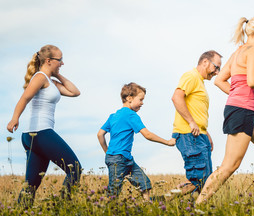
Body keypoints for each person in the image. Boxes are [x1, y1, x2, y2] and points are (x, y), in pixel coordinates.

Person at [195, 16, 254, 204]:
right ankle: (199, 205)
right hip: (241, 110)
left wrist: (237, 94)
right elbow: (252, 81)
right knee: (230, 165)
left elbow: (219, 80)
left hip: (245, 109)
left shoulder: (238, 52)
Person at [6, 45, 82, 205]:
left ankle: (21, 210)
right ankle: (62, 208)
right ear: (48, 60)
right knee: (74, 168)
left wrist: (58, 75)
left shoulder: (51, 81)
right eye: (59, 60)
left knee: (32, 184)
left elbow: (75, 92)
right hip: (40, 132)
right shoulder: (39, 77)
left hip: (33, 136)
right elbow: (24, 98)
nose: (62, 63)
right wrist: (15, 118)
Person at [97, 82, 175, 200]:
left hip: (125, 159)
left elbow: (100, 134)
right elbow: (147, 135)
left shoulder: (113, 116)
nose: (142, 103)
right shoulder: (131, 115)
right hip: (119, 159)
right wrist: (167, 142)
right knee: (113, 193)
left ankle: (147, 207)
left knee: (144, 184)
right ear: (129, 98)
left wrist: (107, 152)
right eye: (140, 99)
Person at [171, 50, 222, 195]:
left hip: (199, 135)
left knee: (205, 181)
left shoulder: (200, 82)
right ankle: (159, 202)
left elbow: (196, 112)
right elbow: (176, 97)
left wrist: (206, 134)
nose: (217, 72)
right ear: (205, 62)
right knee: (198, 179)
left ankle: (195, 207)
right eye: (216, 67)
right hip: (189, 135)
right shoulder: (191, 76)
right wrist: (191, 122)